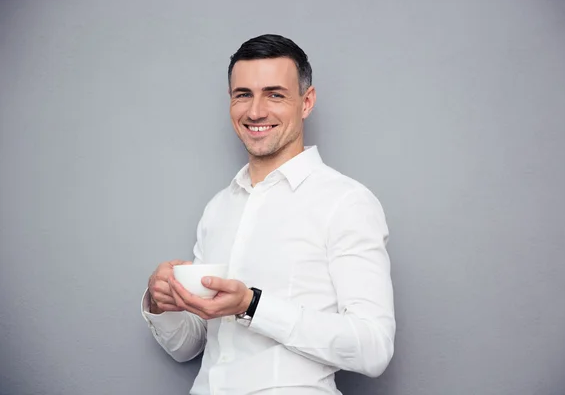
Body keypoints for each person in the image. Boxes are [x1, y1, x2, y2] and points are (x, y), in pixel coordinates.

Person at [141, 34, 396, 395]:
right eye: (243, 94)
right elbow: (189, 346)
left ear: (306, 102)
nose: (255, 111)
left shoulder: (346, 202)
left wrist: (252, 305)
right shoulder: (219, 207)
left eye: (275, 94)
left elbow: (374, 347)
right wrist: (162, 302)